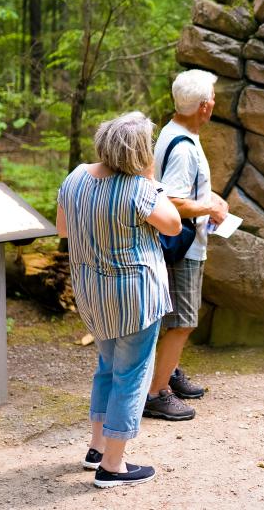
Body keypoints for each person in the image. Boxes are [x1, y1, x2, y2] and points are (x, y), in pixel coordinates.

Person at [56, 111, 181, 488]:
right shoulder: (139, 188)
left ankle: (96, 449)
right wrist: (153, 181)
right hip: (135, 300)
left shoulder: (75, 177)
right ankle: (113, 466)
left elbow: (62, 229)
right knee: (131, 376)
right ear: (140, 152)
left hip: (92, 296)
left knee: (108, 368)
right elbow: (174, 224)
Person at [143, 69, 229, 421]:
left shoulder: (174, 131)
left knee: (178, 318)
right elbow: (173, 200)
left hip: (184, 242)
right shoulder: (183, 148)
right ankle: (156, 392)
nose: (215, 103)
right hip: (184, 246)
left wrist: (210, 199)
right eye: (213, 98)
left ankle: (170, 372)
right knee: (183, 321)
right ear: (204, 106)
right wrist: (208, 208)